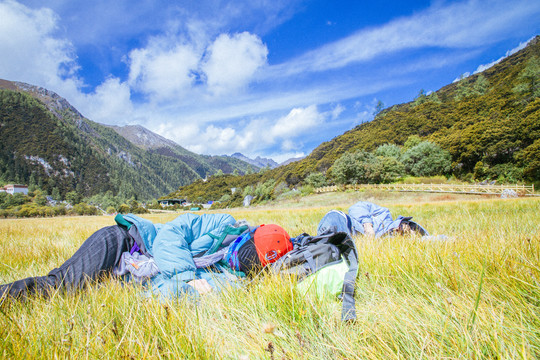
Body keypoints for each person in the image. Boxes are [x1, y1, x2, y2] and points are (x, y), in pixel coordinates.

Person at [0, 212, 293, 303]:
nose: (242, 263)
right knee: (60, 288)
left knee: (83, 297)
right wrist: (185, 277)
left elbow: (175, 296)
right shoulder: (221, 224)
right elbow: (170, 236)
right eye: (246, 254)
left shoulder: (233, 282)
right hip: (122, 244)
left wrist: (179, 290)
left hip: (128, 278)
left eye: (253, 264)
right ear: (248, 238)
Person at [317, 201, 430, 238]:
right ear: (404, 221)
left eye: (411, 233)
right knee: (334, 215)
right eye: (410, 227)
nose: (408, 230)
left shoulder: (392, 243)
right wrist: (367, 224)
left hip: (354, 243)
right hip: (351, 227)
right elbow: (357, 206)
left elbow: (440, 240)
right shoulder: (385, 214)